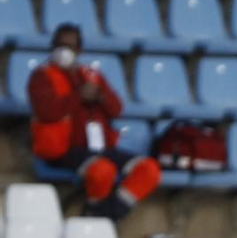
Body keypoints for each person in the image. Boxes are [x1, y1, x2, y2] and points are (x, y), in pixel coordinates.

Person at [27, 23, 161, 221]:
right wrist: (78, 96)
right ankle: (97, 217)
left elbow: (116, 109)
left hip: (100, 147)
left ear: (79, 50)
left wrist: (100, 97)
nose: (64, 51)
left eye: (69, 46)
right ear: (52, 46)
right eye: (59, 45)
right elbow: (48, 112)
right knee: (102, 170)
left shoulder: (91, 75)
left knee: (149, 169)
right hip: (64, 150)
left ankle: (105, 214)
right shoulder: (41, 77)